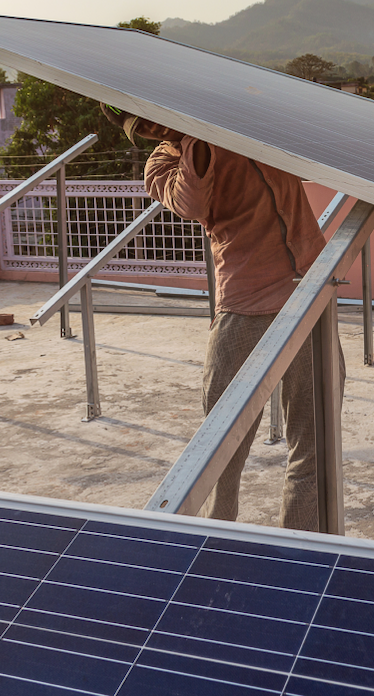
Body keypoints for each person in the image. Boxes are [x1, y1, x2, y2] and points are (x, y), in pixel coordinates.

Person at [102, 106, 340, 530]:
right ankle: (218, 541)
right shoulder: (164, 161)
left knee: (314, 444)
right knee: (220, 448)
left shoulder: (241, 121)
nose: (154, 129)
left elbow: (315, 128)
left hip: (310, 290)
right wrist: (195, 142)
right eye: (143, 129)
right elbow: (190, 203)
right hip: (246, 303)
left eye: (150, 117)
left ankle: (299, 552)